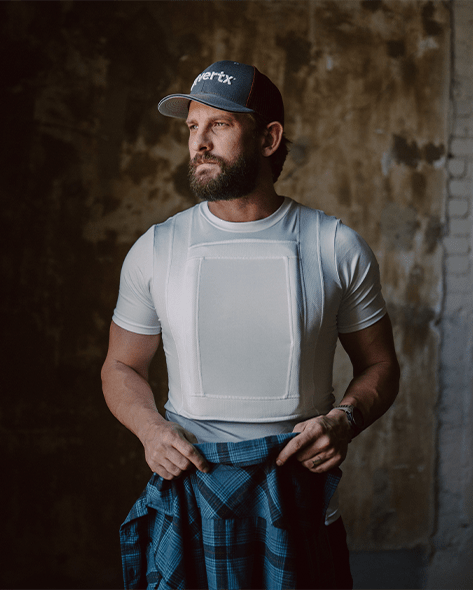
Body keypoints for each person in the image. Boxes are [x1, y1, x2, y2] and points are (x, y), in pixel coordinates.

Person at [101, 60, 400, 589]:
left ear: (268, 138)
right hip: (190, 501)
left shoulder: (334, 245)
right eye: (193, 127)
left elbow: (379, 364)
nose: (199, 142)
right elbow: (122, 364)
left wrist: (345, 419)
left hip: (301, 501)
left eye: (219, 124)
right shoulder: (157, 248)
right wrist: (150, 431)